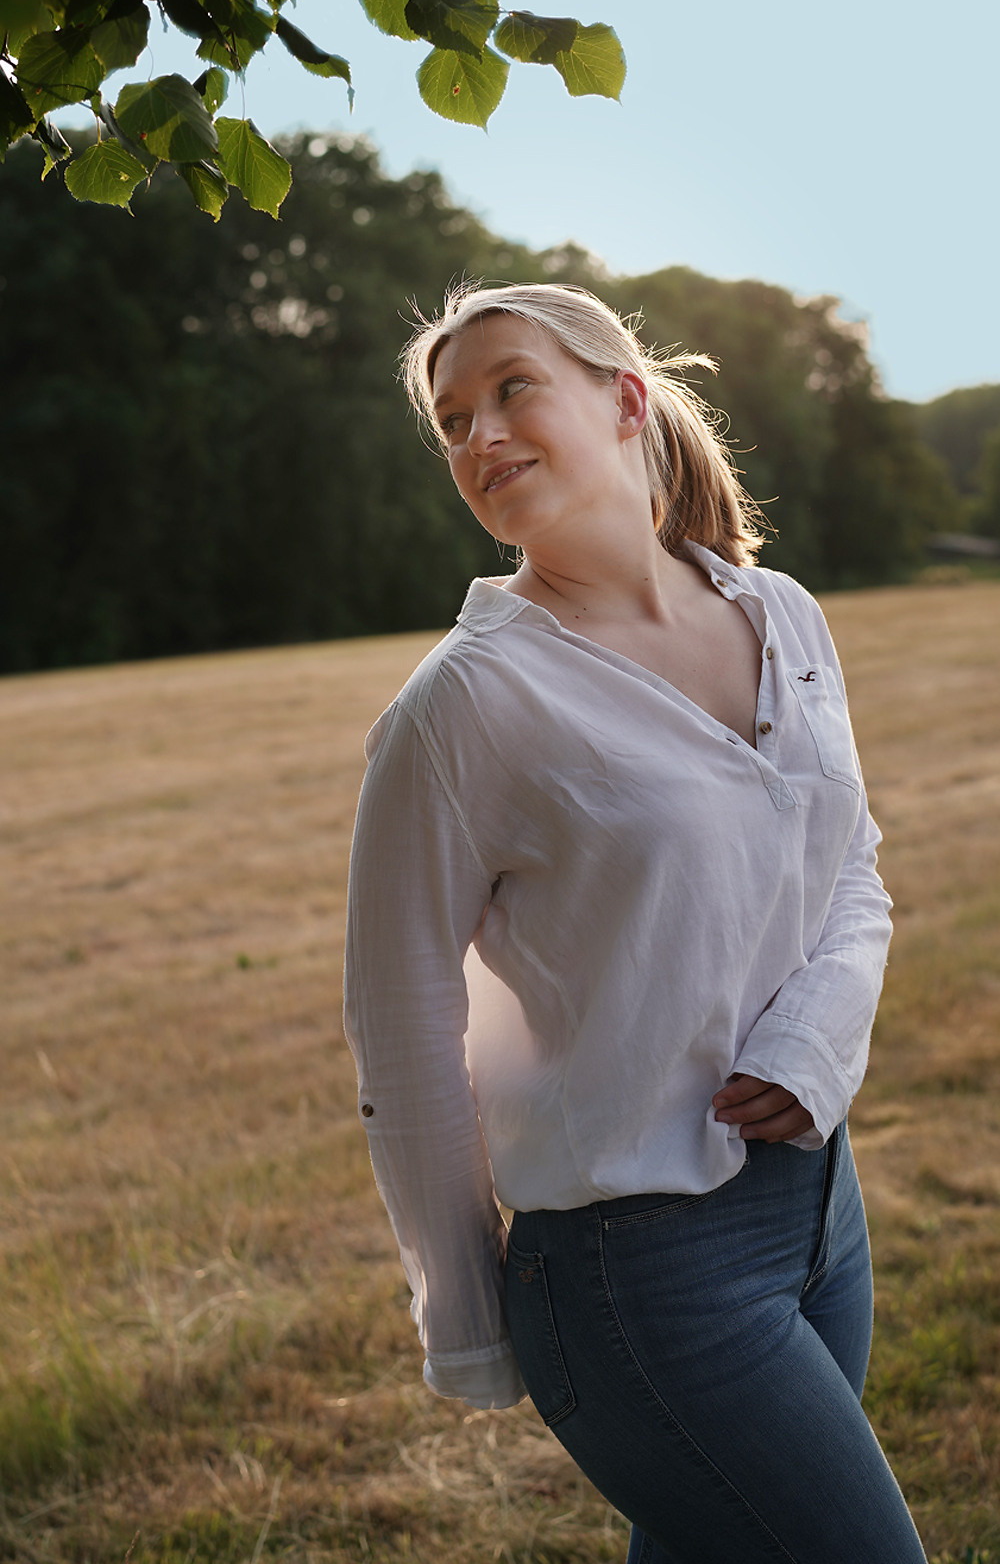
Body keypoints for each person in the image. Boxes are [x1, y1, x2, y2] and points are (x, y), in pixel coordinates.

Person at [343, 282, 926, 1563]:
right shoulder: (464, 705)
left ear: (624, 400)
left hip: (822, 1213)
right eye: (452, 421)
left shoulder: (781, 615)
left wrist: (813, 1043)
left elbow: (850, 862)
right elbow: (402, 1026)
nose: (479, 434)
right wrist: (468, 1319)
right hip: (637, 1274)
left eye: (511, 388)